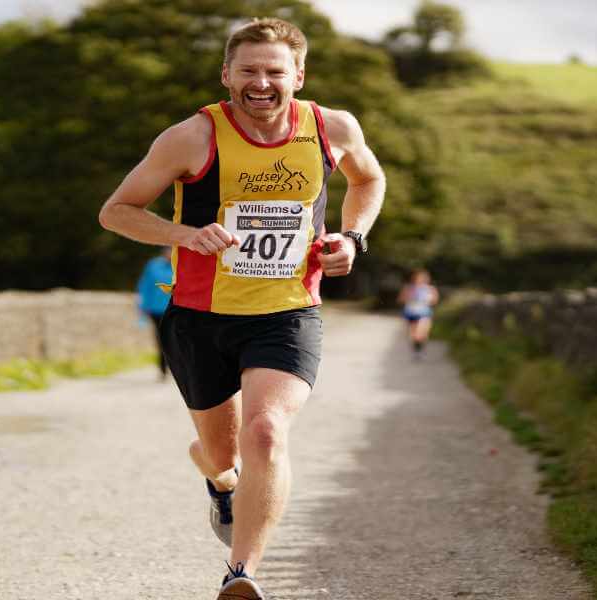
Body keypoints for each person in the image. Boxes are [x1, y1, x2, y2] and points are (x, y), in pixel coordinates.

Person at [98, 16, 386, 600]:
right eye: (248, 70)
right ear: (226, 74)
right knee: (222, 452)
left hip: (287, 312)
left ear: (298, 76)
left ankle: (242, 573)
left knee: (267, 429)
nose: (261, 82)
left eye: (274, 71)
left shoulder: (332, 128)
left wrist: (351, 239)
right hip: (199, 317)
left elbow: (369, 179)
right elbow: (117, 211)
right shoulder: (191, 138)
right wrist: (184, 235)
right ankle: (220, 479)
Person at [137, 246, 174, 380]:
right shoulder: (153, 265)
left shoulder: (180, 264)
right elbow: (144, 286)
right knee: (161, 339)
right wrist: (142, 306)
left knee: (173, 340)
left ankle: (173, 367)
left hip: (175, 310)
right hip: (156, 310)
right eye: (167, 250)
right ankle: (163, 370)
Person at [398, 268, 439, 356]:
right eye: (418, 278)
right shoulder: (408, 288)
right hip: (411, 312)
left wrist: (428, 300)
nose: (419, 280)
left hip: (424, 313)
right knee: (413, 335)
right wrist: (409, 297)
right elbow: (401, 299)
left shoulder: (430, 289)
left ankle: (420, 348)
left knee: (421, 333)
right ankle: (417, 350)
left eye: (422, 278)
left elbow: (435, 301)